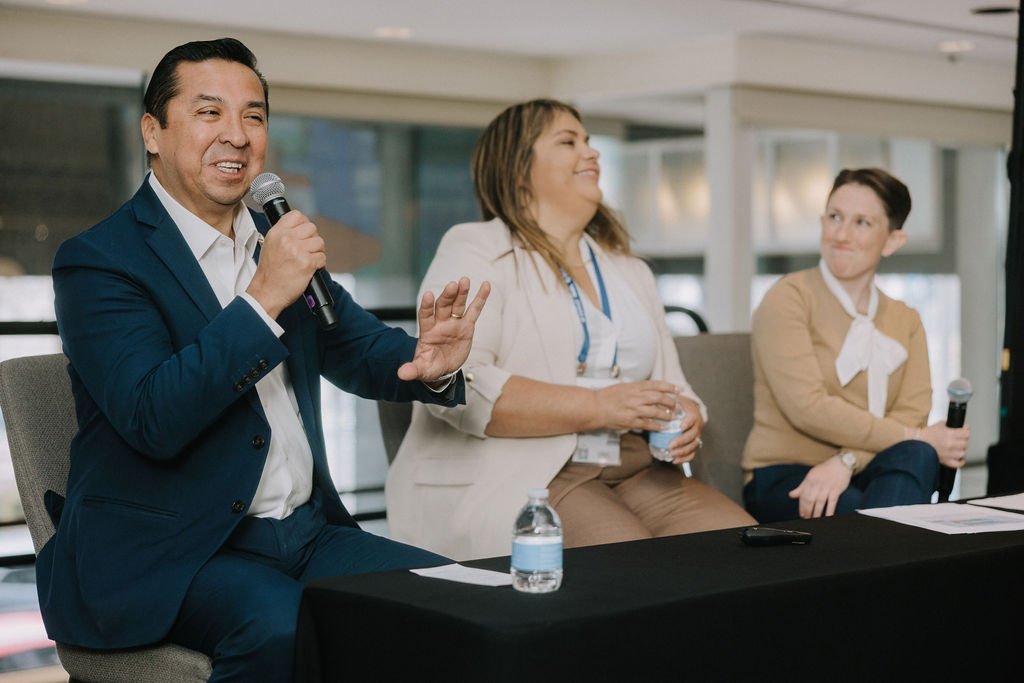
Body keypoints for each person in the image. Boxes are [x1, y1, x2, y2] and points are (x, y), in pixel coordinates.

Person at [40, 38, 489, 682]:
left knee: (452, 601)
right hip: (178, 551)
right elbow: (153, 416)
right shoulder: (99, 261)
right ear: (153, 133)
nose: (237, 135)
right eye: (209, 112)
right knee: (282, 627)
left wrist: (430, 359)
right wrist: (263, 298)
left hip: (305, 535)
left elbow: (353, 345)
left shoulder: (274, 240)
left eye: (253, 116)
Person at [386, 98, 754, 561]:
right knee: (632, 571)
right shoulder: (474, 248)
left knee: (750, 557)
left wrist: (688, 416)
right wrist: (599, 407)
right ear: (520, 169)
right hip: (535, 469)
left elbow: (674, 382)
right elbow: (460, 388)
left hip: (635, 464)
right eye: (568, 141)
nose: (591, 153)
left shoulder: (629, 270)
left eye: (589, 142)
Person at [742, 168, 970, 523]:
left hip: (865, 467)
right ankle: (891, 563)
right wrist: (913, 435)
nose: (841, 235)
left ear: (892, 240)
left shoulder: (906, 319)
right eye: (835, 217)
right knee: (881, 509)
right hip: (788, 473)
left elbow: (911, 414)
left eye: (862, 222)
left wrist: (847, 461)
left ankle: (882, 564)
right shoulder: (788, 298)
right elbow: (808, 407)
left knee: (919, 455)